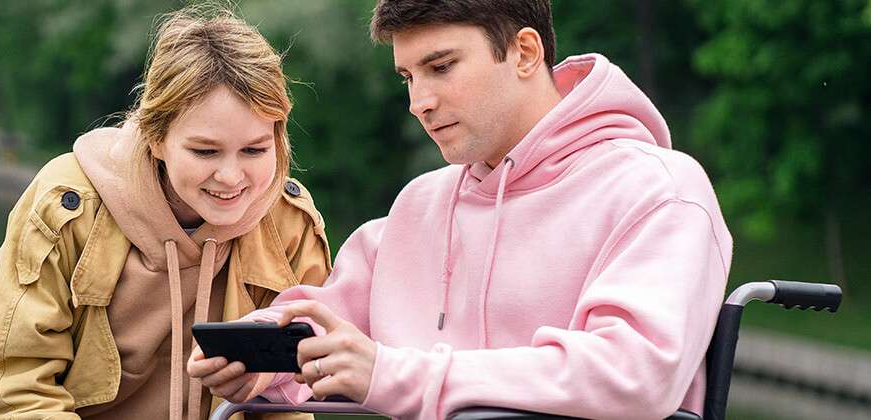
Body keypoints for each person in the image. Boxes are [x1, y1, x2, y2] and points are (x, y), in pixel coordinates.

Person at [188, 0, 733, 419]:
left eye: (440, 67)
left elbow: (635, 372)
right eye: (408, 77)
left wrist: (399, 374)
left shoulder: (658, 190)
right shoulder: (420, 206)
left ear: (523, 52)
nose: (417, 101)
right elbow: (328, 324)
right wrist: (256, 361)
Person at [0, 5, 331, 420]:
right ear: (156, 138)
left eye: (254, 149)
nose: (232, 177)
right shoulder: (67, 206)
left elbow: (295, 391)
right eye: (205, 151)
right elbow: (16, 387)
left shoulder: (289, 222)